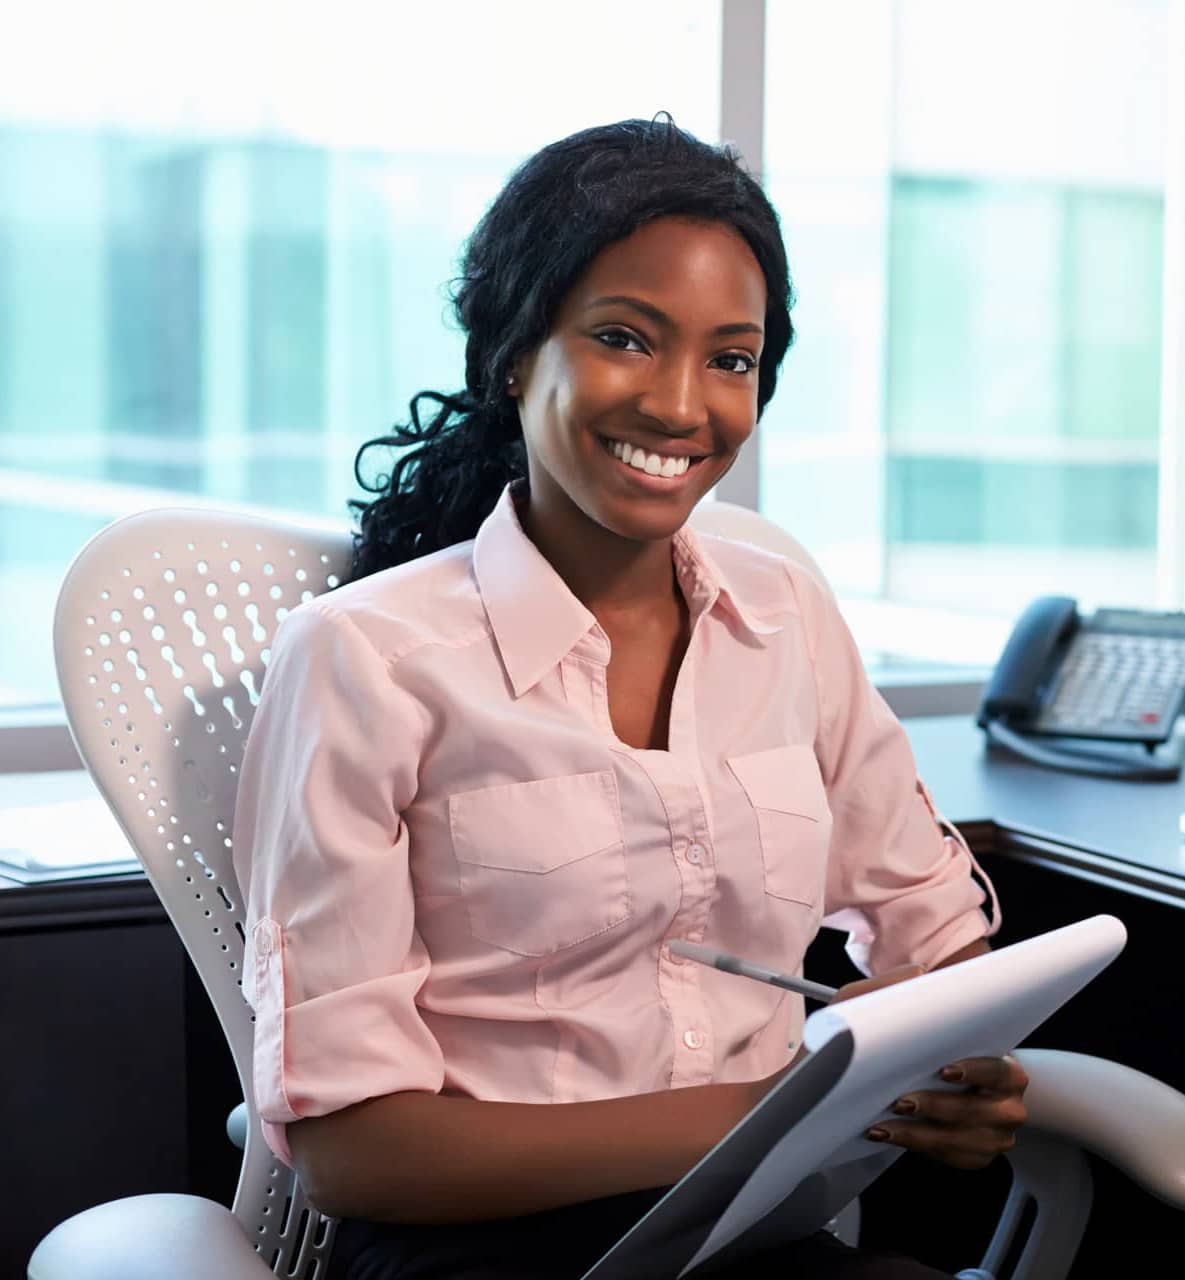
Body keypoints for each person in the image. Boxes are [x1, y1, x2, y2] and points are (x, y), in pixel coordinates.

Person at [232, 117, 1028, 1280]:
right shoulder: (365, 656)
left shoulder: (785, 615)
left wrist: (948, 1073)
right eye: (623, 337)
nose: (678, 405)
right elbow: (359, 1151)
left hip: (753, 1237)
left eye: (731, 358)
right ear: (515, 352)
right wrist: (767, 1107)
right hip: (481, 1250)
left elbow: (936, 932)